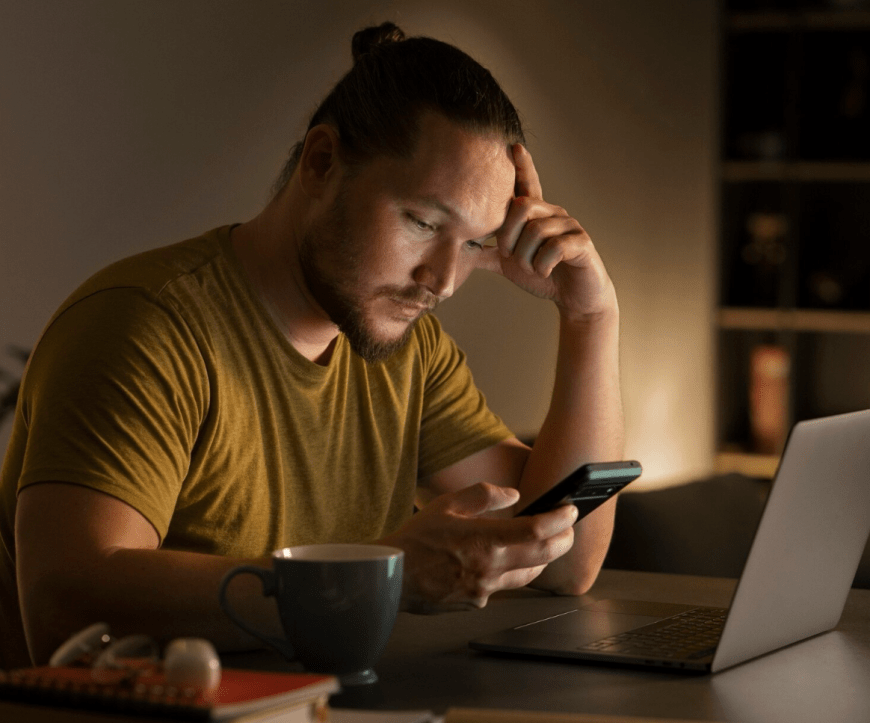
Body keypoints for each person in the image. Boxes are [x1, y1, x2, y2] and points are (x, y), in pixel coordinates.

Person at [0, 22, 623, 669]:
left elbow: (565, 558)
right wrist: (384, 576)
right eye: (423, 221)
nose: (442, 280)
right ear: (321, 163)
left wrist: (590, 315)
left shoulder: (408, 349)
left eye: (472, 244)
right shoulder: (144, 325)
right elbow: (64, 608)